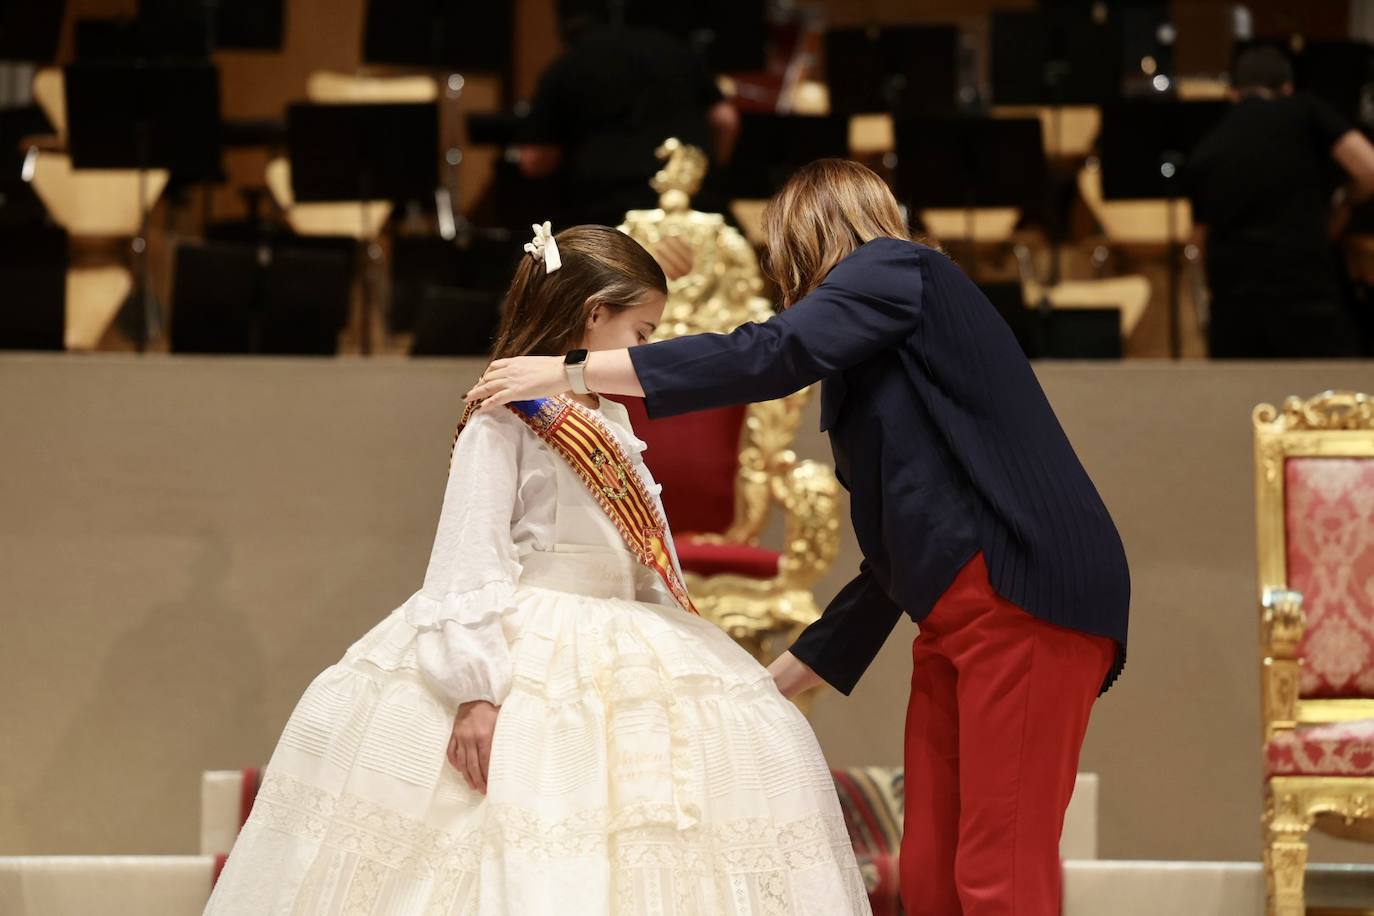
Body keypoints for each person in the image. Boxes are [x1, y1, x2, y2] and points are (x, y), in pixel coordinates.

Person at [466, 160, 1131, 916]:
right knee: (933, 867)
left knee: (997, 868)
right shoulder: (885, 341)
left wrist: (572, 369)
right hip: (960, 610)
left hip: (1023, 588)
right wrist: (775, 681)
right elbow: (894, 555)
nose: (779, 271)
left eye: (780, 251)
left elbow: (767, 353)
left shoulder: (897, 269)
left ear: (809, 234)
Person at [204, 224, 870, 915]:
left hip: (625, 636)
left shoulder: (608, 413)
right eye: (641, 333)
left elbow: (641, 551)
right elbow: (469, 559)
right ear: (594, 315)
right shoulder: (507, 416)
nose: (647, 351)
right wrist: (475, 692)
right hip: (530, 639)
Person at [1185, 45, 1374, 358]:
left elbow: (1200, 240)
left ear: (1232, 94)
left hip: (1236, 315)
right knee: (1328, 402)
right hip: (1307, 299)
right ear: (1287, 88)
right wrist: (1342, 206)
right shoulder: (1304, 109)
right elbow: (1368, 169)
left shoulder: (1208, 147)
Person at [516, 2, 739, 228]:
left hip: (603, 219)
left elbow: (535, 161)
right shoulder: (678, 50)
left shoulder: (567, 64)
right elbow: (725, 121)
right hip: (696, 210)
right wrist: (712, 172)